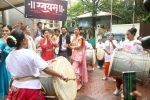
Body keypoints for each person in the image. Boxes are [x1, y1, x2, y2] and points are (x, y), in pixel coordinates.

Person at [6, 29, 68, 100]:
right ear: (23, 40)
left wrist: (48, 62)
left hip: (15, 88)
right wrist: (61, 75)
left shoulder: (9, 56)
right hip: (30, 89)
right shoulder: (29, 53)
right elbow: (46, 69)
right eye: (26, 37)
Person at [113, 27, 143, 96]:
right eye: (126, 34)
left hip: (132, 64)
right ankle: (118, 88)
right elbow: (120, 49)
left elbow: (142, 54)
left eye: (128, 34)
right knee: (118, 76)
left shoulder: (137, 42)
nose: (127, 36)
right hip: (123, 62)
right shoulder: (125, 42)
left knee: (129, 80)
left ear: (132, 34)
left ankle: (128, 93)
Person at [0, 25, 12, 99]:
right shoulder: (0, 40)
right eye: (3, 30)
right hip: (2, 65)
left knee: (10, 83)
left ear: (10, 31)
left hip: (11, 65)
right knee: (2, 84)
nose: (5, 32)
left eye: (7, 30)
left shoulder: (13, 41)